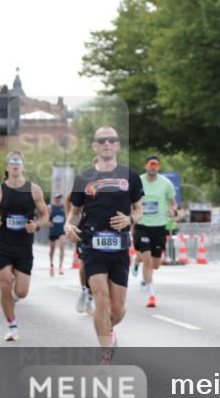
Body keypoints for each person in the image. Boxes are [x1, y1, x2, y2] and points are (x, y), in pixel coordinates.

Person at [64, 128, 143, 363]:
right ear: (95, 146)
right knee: (101, 296)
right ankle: (106, 353)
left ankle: (109, 332)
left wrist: (130, 219)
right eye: (101, 140)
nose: (106, 143)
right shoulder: (84, 178)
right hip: (92, 245)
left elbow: (138, 208)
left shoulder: (131, 176)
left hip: (119, 247)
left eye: (111, 140)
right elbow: (75, 212)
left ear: (118, 146)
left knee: (117, 311)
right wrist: (68, 226)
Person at [0, 151, 50, 341]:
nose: (14, 164)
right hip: (3, 244)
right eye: (11, 161)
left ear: (23, 166)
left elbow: (45, 215)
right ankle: (12, 326)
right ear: (6, 166)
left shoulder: (34, 190)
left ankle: (12, 299)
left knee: (21, 291)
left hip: (24, 247)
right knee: (4, 284)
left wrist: (36, 225)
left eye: (18, 161)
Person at [131, 156, 177, 308]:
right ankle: (151, 294)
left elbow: (172, 202)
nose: (153, 167)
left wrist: (172, 210)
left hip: (159, 227)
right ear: (146, 166)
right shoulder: (138, 181)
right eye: (150, 164)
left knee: (156, 264)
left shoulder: (166, 183)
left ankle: (136, 261)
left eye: (155, 165)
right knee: (147, 258)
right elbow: (130, 200)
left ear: (158, 167)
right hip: (142, 225)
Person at [47, 193, 67, 276]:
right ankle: (51, 265)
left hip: (62, 231)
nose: (58, 199)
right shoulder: (50, 207)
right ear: (54, 198)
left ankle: (60, 266)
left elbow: (67, 217)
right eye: (57, 198)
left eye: (59, 198)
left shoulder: (64, 207)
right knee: (52, 249)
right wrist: (49, 223)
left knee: (62, 247)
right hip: (53, 231)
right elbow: (46, 218)